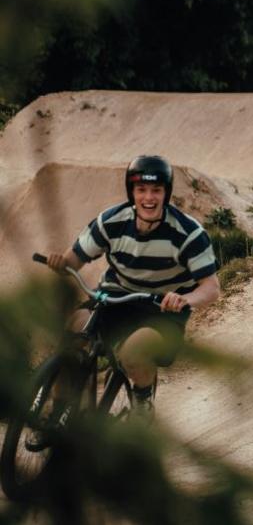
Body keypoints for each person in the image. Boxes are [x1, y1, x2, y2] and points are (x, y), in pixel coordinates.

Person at [35, 155, 220, 445]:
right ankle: (58, 409)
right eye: (141, 190)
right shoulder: (111, 222)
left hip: (163, 309)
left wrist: (184, 299)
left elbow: (211, 288)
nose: (148, 198)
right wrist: (62, 263)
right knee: (73, 333)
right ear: (131, 192)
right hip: (115, 297)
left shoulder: (188, 234)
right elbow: (75, 260)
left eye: (156, 190)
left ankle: (143, 399)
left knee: (132, 354)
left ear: (166, 193)